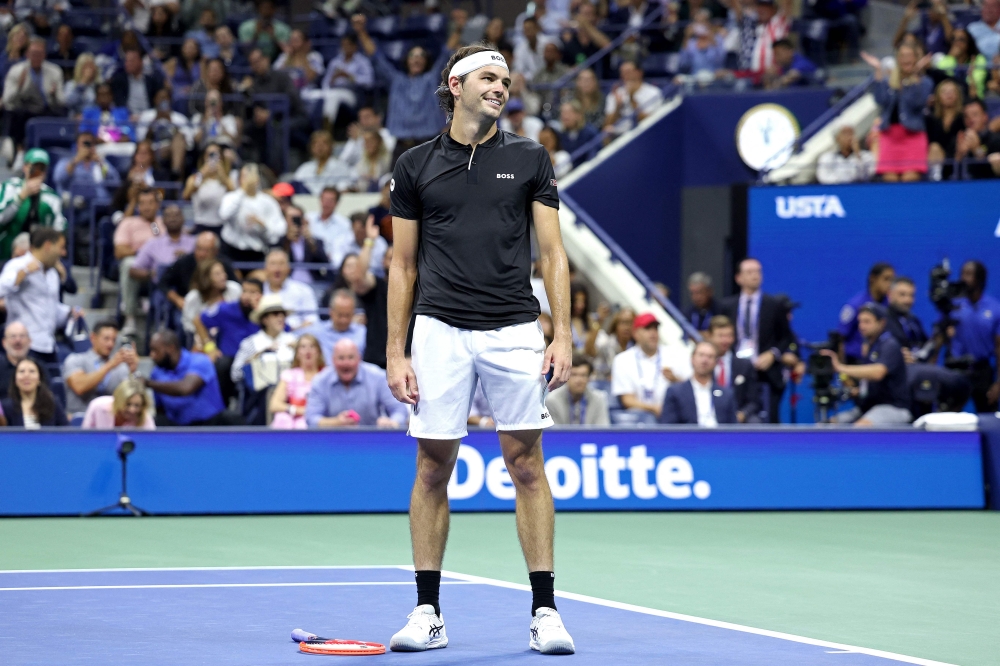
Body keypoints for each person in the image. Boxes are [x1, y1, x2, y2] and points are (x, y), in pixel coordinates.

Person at [385, 43, 576, 654]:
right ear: (456, 84)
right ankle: (427, 613)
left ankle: (545, 613)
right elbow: (402, 263)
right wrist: (396, 349)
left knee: (526, 466)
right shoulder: (415, 166)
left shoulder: (529, 158)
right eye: (489, 78)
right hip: (438, 329)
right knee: (432, 468)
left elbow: (552, 255)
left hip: (514, 329)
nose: (501, 87)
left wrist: (563, 333)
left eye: (506, 80)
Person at [352, 13, 450, 164]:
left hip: (430, 144)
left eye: (421, 55)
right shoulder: (396, 80)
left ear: (426, 60)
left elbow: (445, 55)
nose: (417, 58)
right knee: (396, 186)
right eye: (413, 55)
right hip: (401, 147)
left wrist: (458, 29)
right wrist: (361, 31)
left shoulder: (432, 78)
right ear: (407, 60)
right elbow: (376, 57)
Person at [719, 258, 793, 423]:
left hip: (766, 371)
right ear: (739, 278)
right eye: (750, 272)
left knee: (769, 418)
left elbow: (786, 337)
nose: (755, 276)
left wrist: (773, 354)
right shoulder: (727, 305)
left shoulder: (774, 305)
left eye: (758, 272)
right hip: (736, 369)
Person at [885, 277, 970, 415]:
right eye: (902, 295)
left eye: (911, 295)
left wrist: (940, 336)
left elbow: (925, 350)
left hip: (918, 370)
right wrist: (895, 356)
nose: (908, 300)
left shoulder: (913, 321)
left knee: (960, 383)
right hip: (898, 378)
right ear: (890, 294)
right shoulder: (883, 320)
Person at [821, 303, 911, 426]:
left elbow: (878, 372)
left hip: (893, 408)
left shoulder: (890, 345)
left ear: (882, 323)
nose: (862, 326)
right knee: (827, 426)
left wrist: (840, 367)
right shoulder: (870, 347)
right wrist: (856, 391)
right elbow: (870, 385)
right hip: (868, 407)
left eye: (867, 322)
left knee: (859, 429)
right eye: (860, 322)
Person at [0, 229, 78, 363]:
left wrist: (68, 312)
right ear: (48, 245)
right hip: (24, 345)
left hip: (48, 345)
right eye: (61, 247)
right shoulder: (18, 265)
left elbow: (50, 308)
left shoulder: (52, 274)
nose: (63, 253)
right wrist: (22, 274)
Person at [861, 46, 933, 182]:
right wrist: (878, 71)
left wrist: (914, 75)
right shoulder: (890, 82)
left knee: (909, 179)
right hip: (890, 137)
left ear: (915, 59)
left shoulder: (924, 82)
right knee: (890, 182)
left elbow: (917, 102)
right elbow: (880, 100)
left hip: (913, 136)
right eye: (902, 55)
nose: (906, 59)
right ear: (898, 60)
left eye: (909, 55)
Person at [305, 338, 408, 429]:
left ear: (359, 358)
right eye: (341, 358)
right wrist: (336, 422)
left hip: (371, 442)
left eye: (351, 357)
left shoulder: (377, 376)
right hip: (332, 443)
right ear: (333, 360)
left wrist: (392, 423)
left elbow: (399, 410)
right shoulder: (320, 381)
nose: (346, 363)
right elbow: (311, 419)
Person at [611, 312, 692, 423]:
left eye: (655, 328)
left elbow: (692, 389)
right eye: (647, 328)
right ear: (636, 334)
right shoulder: (622, 360)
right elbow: (627, 400)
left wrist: (676, 380)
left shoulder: (675, 355)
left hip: (672, 416)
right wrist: (654, 408)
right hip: (638, 419)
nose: (653, 333)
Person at [145, 328, 234, 426]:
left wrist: (148, 383)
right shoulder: (156, 373)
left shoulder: (199, 361)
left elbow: (186, 388)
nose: (152, 355)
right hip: (178, 430)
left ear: (170, 348)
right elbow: (160, 409)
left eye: (155, 351)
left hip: (210, 426)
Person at [195, 276, 262, 404]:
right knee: (222, 365)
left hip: (256, 360)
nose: (247, 296)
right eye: (244, 291)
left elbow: (283, 329)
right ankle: (220, 409)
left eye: (253, 292)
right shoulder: (226, 309)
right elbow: (198, 320)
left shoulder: (267, 313)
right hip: (230, 360)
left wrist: (260, 312)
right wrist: (209, 348)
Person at [947, 261, 1000, 412]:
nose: (963, 278)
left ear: (980, 278)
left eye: (969, 274)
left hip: (982, 371)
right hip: (956, 371)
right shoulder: (952, 305)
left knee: (989, 419)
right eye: (962, 273)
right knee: (949, 417)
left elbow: (999, 348)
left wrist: (998, 383)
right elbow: (939, 340)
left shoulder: (995, 308)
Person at [0, 148, 66, 261]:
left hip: (39, 256)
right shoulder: (9, 187)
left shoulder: (51, 197)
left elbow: (59, 229)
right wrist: (20, 198)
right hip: (6, 253)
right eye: (34, 167)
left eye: (42, 169)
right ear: (25, 167)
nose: (38, 172)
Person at [62, 319, 137, 416]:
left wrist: (132, 371)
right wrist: (109, 366)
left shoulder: (120, 367)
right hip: (80, 419)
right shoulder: (75, 360)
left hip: (110, 419)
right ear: (93, 338)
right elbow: (79, 387)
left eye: (114, 340)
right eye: (106, 339)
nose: (110, 344)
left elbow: (131, 399)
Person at [114, 187, 163, 336]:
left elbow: (168, 245)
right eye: (142, 203)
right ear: (138, 206)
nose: (147, 207)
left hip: (159, 268)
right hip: (138, 266)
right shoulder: (129, 223)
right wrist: (143, 251)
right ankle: (130, 319)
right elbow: (119, 251)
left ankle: (162, 322)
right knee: (129, 264)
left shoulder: (161, 223)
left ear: (157, 205)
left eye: (150, 203)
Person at [2, 37, 66, 149]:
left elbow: (61, 102)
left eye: (39, 53)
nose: (36, 57)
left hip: (46, 109)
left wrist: (54, 95)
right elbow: (7, 100)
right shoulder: (16, 70)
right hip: (23, 109)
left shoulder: (55, 71)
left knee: (60, 114)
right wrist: (19, 88)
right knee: (15, 114)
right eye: (33, 53)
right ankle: (19, 151)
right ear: (27, 54)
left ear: (44, 55)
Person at [218, 163, 286, 262]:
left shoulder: (268, 201)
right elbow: (224, 215)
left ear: (258, 179)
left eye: (251, 176)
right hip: (231, 250)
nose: (248, 180)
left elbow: (280, 230)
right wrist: (243, 191)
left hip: (257, 251)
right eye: (244, 176)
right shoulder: (231, 197)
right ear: (239, 179)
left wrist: (263, 225)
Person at [659, 341, 738, 426]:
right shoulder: (675, 392)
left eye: (710, 357)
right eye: (701, 355)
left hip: (719, 437)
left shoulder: (726, 394)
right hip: (688, 437)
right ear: (692, 359)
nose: (705, 360)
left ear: (716, 362)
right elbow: (669, 427)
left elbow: (733, 428)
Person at [160, 231, 237, 311]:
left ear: (215, 251)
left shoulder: (224, 264)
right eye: (199, 249)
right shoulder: (183, 262)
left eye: (206, 250)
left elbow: (234, 286)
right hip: (188, 306)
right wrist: (177, 299)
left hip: (218, 307)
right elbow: (163, 283)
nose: (201, 254)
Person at [705, 315, 762, 423]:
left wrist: (742, 414)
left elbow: (754, 401)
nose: (725, 340)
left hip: (738, 418)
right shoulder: (702, 364)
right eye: (720, 336)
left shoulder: (744, 366)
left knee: (754, 422)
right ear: (709, 336)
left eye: (729, 335)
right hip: (707, 416)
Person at [231, 293, 296, 386]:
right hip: (260, 395)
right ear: (264, 319)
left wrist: (298, 352)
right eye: (276, 314)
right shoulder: (251, 343)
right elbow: (235, 374)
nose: (281, 318)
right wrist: (258, 356)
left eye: (283, 314)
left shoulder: (294, 340)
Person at [838, 262, 895, 363]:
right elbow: (840, 338)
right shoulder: (855, 305)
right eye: (886, 279)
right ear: (873, 278)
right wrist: (843, 371)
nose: (890, 284)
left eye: (892, 280)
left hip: (882, 361)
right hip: (855, 362)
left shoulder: (890, 304)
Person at [129, 204, 194, 287]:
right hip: (161, 288)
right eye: (169, 216)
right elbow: (133, 270)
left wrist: (189, 259)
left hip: (188, 286)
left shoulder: (194, 242)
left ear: (183, 219)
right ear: (163, 220)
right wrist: (152, 273)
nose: (173, 218)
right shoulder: (153, 243)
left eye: (176, 215)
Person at [270, 333, 324, 429]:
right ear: (297, 353)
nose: (308, 350)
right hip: (293, 418)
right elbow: (274, 405)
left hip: (319, 418)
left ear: (319, 352)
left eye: (312, 346)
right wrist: (296, 410)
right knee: (281, 418)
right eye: (303, 347)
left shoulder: (326, 375)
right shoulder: (289, 375)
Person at [298, 289, 366, 365]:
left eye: (347, 315)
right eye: (340, 315)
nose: (343, 320)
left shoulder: (363, 333)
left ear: (353, 313)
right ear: (331, 312)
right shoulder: (317, 331)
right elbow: (291, 337)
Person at [317, 34, 374, 125]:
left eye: (348, 45)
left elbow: (369, 81)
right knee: (317, 96)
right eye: (343, 45)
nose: (345, 47)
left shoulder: (362, 61)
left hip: (353, 93)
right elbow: (325, 82)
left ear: (355, 46)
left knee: (333, 97)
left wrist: (349, 76)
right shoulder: (335, 62)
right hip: (333, 90)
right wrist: (332, 79)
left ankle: (326, 129)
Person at [183, 143, 236, 235]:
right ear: (204, 157)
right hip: (201, 224)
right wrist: (202, 173)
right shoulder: (196, 178)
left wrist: (222, 173)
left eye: (216, 154)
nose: (212, 158)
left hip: (221, 226)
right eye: (210, 154)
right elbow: (186, 195)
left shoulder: (227, 179)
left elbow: (234, 194)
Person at [1, 357, 67, 427]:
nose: (26, 375)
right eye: (21, 371)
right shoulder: (6, 407)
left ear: (39, 379)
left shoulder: (53, 403)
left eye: (32, 371)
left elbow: (66, 433)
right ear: (15, 380)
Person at [53, 131, 121, 200]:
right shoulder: (66, 161)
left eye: (90, 143)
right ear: (77, 145)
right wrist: (76, 161)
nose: (87, 147)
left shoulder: (101, 162)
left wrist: (100, 163)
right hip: (74, 203)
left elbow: (115, 181)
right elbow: (59, 179)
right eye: (85, 143)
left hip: (98, 201)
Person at [603, 61, 664, 138]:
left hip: (644, 134)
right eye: (622, 72)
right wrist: (617, 107)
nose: (625, 75)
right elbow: (607, 125)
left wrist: (632, 100)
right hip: (619, 136)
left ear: (639, 72)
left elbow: (652, 122)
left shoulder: (653, 92)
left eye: (628, 71)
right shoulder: (615, 94)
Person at [545, 354, 610, 425]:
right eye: (574, 375)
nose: (579, 380)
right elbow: (554, 433)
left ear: (589, 378)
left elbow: (602, 430)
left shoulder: (599, 399)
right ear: (565, 376)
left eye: (583, 375)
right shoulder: (552, 400)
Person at [262, 248, 318, 329]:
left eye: (281, 264)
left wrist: (290, 332)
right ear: (265, 269)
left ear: (289, 268)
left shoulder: (303, 290)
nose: (277, 269)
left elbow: (312, 321)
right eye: (273, 264)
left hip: (297, 336)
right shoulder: (259, 291)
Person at [182, 258, 242, 335]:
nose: (224, 276)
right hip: (201, 337)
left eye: (223, 272)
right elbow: (188, 324)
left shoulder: (234, 289)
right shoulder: (192, 297)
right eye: (217, 274)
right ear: (205, 278)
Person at [926, 80, 965, 181]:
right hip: (936, 158)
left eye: (952, 91)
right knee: (934, 147)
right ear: (938, 96)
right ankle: (936, 179)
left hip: (958, 155)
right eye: (944, 91)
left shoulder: (963, 118)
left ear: (958, 95)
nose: (948, 94)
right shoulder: (931, 118)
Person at [279, 205, 329, 286]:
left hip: (312, 281)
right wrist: (287, 241)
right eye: (291, 218)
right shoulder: (281, 241)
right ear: (286, 220)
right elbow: (278, 257)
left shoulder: (315, 241)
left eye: (297, 218)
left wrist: (311, 241)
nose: (294, 222)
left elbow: (324, 262)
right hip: (287, 282)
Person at [292, 130, 353, 195]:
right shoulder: (304, 168)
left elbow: (344, 188)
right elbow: (295, 186)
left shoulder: (341, 166)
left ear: (331, 146)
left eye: (324, 143)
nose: (319, 147)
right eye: (315, 143)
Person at [0, 321, 50, 400]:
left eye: (22, 336)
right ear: (4, 343)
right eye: (13, 336)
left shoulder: (40, 367)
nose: (18, 340)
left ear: (30, 341)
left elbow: (48, 398)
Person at [81, 377, 155, 429]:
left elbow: (151, 444)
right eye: (128, 404)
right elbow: (85, 439)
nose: (132, 410)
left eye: (137, 405)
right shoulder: (97, 406)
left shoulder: (144, 417)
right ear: (118, 400)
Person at [109, 49, 164, 117]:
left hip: (148, 116)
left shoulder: (152, 80)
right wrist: (129, 115)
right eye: (126, 61)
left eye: (131, 61)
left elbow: (156, 100)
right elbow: (119, 102)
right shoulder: (119, 80)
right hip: (127, 117)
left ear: (140, 62)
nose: (127, 64)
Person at [955, 99, 1000, 179]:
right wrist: (959, 154)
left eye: (975, 115)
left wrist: (977, 149)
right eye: (966, 116)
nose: (971, 119)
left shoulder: (995, 139)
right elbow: (948, 174)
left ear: (985, 117)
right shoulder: (959, 139)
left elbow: (989, 172)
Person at [589, 306, 635, 384]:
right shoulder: (606, 343)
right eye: (624, 323)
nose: (627, 327)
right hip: (601, 385)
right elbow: (589, 352)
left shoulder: (635, 348)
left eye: (631, 323)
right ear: (616, 325)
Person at [333, 214, 388, 278]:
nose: (361, 234)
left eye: (364, 231)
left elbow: (384, 265)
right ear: (352, 227)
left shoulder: (380, 242)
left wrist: (370, 240)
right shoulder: (341, 241)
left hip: (375, 278)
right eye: (358, 231)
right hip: (346, 278)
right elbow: (337, 264)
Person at [306, 187, 352, 256]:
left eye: (330, 201)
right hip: (312, 259)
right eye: (324, 200)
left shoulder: (344, 223)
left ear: (337, 203)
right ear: (320, 200)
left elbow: (346, 246)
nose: (326, 204)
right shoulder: (308, 219)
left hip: (334, 262)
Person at [63, 53, 101, 117]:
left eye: (91, 66)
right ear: (80, 68)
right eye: (86, 67)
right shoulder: (71, 84)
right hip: (76, 119)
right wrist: (82, 84)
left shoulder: (98, 85)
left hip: (95, 118)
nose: (89, 70)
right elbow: (68, 102)